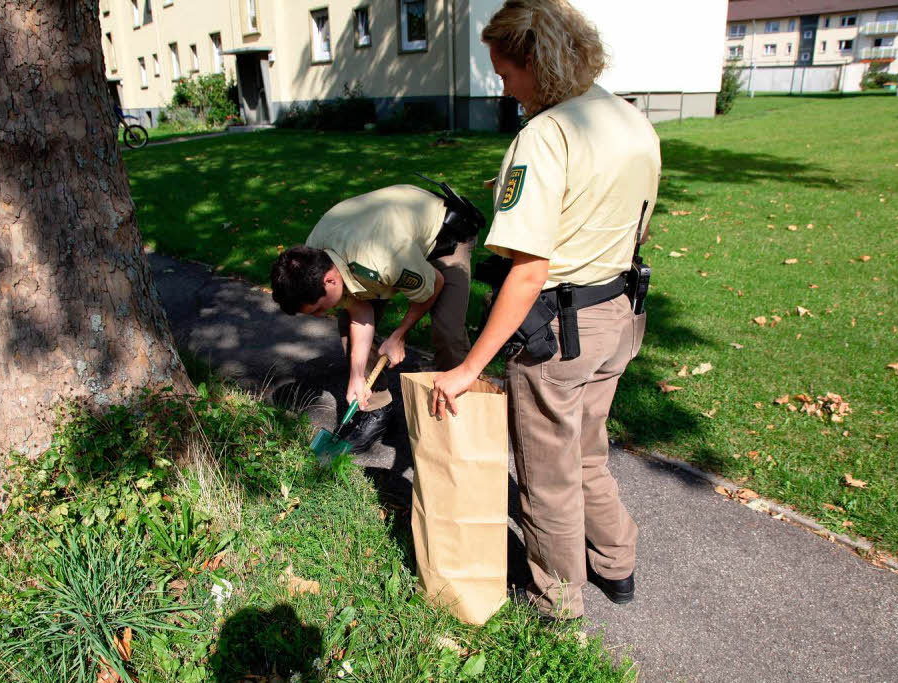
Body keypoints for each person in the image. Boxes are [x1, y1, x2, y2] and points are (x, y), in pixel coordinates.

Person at [431, 0, 660, 621]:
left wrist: (466, 368)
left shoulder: (546, 136)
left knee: (547, 476)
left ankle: (556, 607)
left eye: (504, 72)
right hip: (620, 315)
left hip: (560, 331)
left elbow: (529, 271)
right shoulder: (628, 118)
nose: (503, 88)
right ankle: (617, 564)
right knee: (588, 452)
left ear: (537, 62)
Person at [271, 183, 481, 452]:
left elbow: (434, 285)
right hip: (388, 236)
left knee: (448, 332)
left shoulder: (382, 260)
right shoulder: (313, 257)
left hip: (443, 235)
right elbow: (360, 313)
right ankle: (376, 407)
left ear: (330, 280)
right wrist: (357, 376)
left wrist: (399, 335)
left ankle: (461, 411)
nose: (321, 315)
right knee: (347, 325)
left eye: (317, 309)